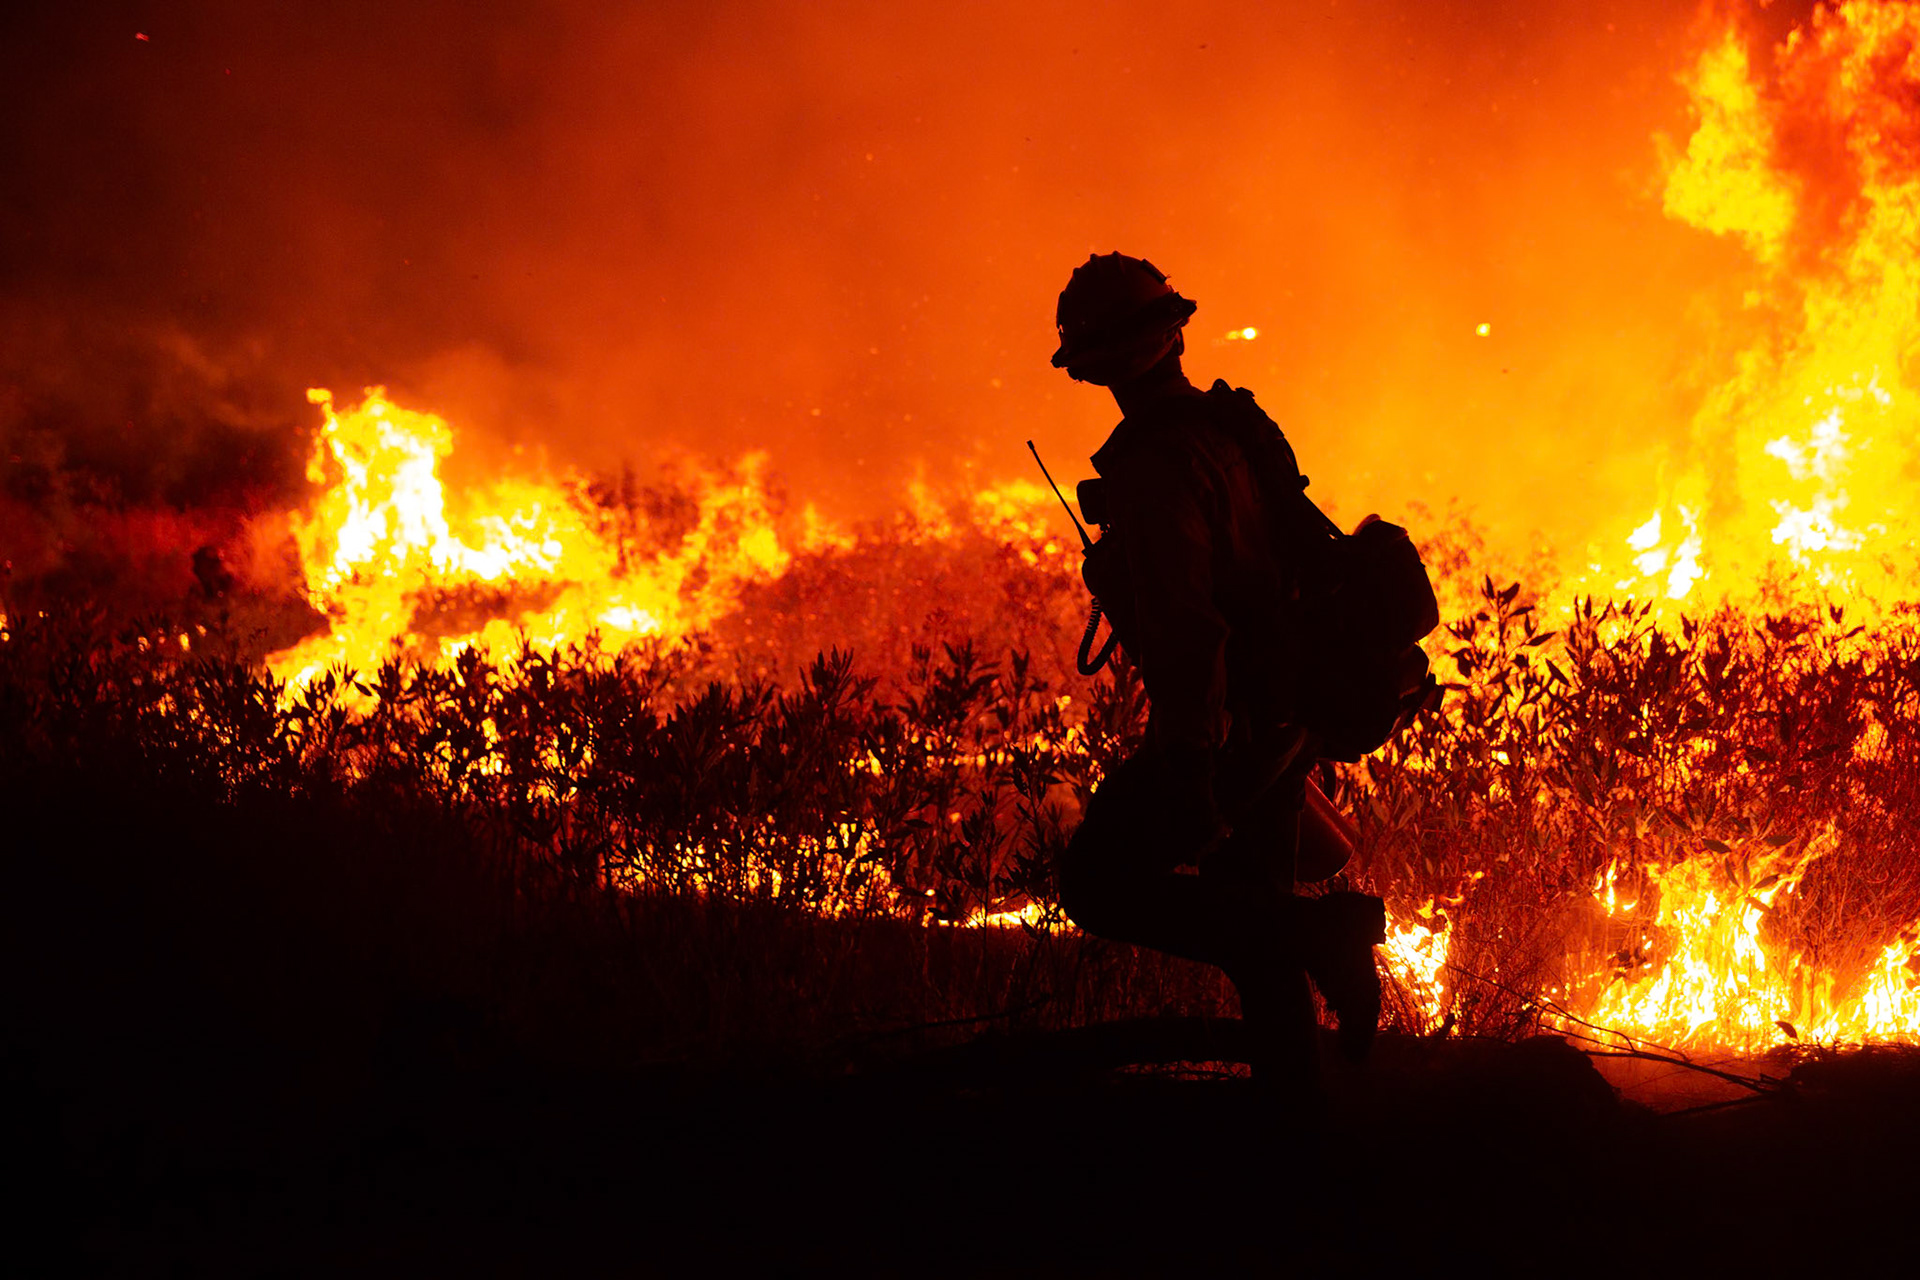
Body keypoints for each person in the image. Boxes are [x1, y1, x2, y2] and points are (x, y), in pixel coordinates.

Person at [1048, 251, 1386, 1087]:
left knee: (1099, 882)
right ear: (1172, 334)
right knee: (1251, 913)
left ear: (1093, 362)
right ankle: (1295, 1132)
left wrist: (1191, 759)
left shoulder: (1154, 467)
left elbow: (1190, 628)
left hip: (1231, 725)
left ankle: (1323, 940)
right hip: (1282, 704)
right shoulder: (1228, 426)